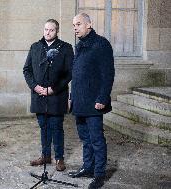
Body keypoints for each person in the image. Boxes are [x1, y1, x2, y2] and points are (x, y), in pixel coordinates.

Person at [68, 13, 115, 189]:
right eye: (73, 25)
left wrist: (103, 98)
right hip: (80, 102)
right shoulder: (80, 45)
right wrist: (71, 97)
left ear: (89, 24)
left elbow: (108, 74)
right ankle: (88, 168)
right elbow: (76, 75)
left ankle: (99, 174)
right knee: (85, 138)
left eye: (78, 24)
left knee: (96, 139)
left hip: (94, 102)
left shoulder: (101, 44)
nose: (75, 28)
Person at [23, 19, 74, 171]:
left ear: (57, 31)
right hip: (39, 96)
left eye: (51, 30)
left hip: (56, 96)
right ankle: (46, 156)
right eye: (46, 29)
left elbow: (69, 73)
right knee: (43, 127)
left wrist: (53, 89)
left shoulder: (65, 48)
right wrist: (35, 86)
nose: (48, 32)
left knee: (57, 127)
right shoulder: (35, 47)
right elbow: (27, 70)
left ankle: (59, 158)